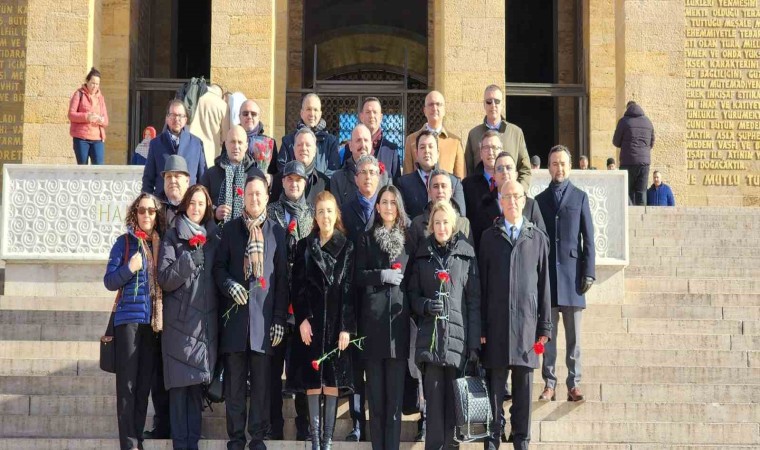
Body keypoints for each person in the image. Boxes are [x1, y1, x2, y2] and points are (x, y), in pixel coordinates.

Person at [213, 170, 289, 450]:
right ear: (242, 197)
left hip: (264, 322)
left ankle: (257, 437)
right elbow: (218, 268)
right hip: (235, 321)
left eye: (259, 194)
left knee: (261, 385)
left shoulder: (277, 233)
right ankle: (236, 437)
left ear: (267, 197)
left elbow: (282, 280)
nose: (254, 198)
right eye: (250, 194)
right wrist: (229, 285)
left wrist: (279, 318)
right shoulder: (230, 230)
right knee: (234, 386)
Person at [480, 180, 552, 450]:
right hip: (496, 326)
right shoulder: (489, 237)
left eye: (516, 196)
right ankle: (492, 441)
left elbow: (544, 287)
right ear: (500, 201)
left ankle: (522, 441)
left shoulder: (537, 238)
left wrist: (544, 327)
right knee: (494, 392)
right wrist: (481, 328)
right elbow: (481, 286)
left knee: (523, 393)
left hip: (527, 328)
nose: (512, 201)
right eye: (507, 196)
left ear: (524, 201)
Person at [409, 200, 481, 450]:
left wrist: (474, 345)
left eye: (445, 222)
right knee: (434, 414)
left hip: (457, 346)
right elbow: (412, 296)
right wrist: (426, 305)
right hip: (430, 344)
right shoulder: (422, 255)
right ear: (431, 226)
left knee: (453, 415)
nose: (441, 227)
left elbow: (473, 301)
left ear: (453, 225)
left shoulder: (466, 255)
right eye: (437, 223)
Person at [288, 191, 356, 450]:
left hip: (336, 325)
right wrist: (302, 319)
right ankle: (315, 442)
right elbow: (298, 287)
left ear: (336, 214)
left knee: (332, 383)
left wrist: (346, 327)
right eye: (320, 212)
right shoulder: (305, 246)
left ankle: (327, 441)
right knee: (313, 383)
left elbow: (348, 290)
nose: (325, 216)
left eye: (329, 211)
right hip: (312, 325)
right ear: (314, 217)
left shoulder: (347, 247)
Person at [157, 184, 220, 450]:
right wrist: (190, 259)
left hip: (204, 326)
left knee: (195, 391)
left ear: (207, 209)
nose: (196, 208)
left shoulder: (214, 238)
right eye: (192, 203)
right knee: (179, 391)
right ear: (185, 205)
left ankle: (191, 444)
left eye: (201, 204)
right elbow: (165, 278)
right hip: (179, 325)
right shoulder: (172, 236)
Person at [104, 192, 166, 450]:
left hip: (152, 324)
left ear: (157, 215)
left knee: (143, 387)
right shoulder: (124, 243)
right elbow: (109, 281)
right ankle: (128, 444)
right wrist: (130, 268)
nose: (146, 215)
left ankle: (137, 439)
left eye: (151, 211)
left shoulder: (161, 243)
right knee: (127, 386)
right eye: (142, 210)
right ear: (135, 213)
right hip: (128, 321)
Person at [535, 145, 595, 403]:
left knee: (574, 338)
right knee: (547, 336)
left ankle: (574, 383)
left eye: (563, 163)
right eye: (554, 163)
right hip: (548, 278)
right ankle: (549, 384)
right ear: (548, 167)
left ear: (569, 167)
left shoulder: (580, 197)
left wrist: (589, 272)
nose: (559, 168)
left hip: (573, 278)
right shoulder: (539, 201)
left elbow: (588, 238)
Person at [355, 185, 411, 450]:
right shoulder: (366, 239)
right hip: (373, 327)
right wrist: (381, 275)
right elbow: (357, 276)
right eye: (384, 202)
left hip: (398, 328)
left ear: (398, 207)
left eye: (393, 202)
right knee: (376, 402)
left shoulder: (409, 240)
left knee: (394, 404)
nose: (388, 207)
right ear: (377, 207)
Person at [265, 160, 314, 441]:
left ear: (305, 183)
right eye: (290, 179)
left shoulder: (312, 213)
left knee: (303, 365)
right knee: (274, 367)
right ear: (282, 182)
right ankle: (274, 424)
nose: (294, 184)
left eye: (299, 180)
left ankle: (304, 425)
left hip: (303, 301)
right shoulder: (271, 211)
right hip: (276, 299)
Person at [337, 153, 383, 442]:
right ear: (355, 178)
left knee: (376, 366)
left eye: (372, 172)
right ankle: (357, 424)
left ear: (379, 177)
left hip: (379, 298)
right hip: (353, 294)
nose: (368, 177)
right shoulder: (345, 211)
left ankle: (376, 422)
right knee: (355, 366)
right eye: (363, 172)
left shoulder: (386, 207)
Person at [465, 150, 546, 251]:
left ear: (516, 174)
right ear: (494, 176)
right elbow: (478, 243)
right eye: (500, 168)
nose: (505, 172)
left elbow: (544, 241)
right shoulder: (483, 204)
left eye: (509, 168)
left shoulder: (531, 205)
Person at [464, 85, 532, 190]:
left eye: (497, 101)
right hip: (481, 195)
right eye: (489, 102)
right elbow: (469, 169)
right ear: (484, 105)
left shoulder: (515, 133)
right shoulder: (474, 134)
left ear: (502, 104)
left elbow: (525, 169)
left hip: (509, 195)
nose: (493, 105)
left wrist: (518, 192)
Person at [142, 100, 207, 196]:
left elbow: (203, 179)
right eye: (173, 115)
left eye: (180, 115)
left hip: (189, 201)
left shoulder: (196, 144)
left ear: (185, 119)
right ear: (167, 118)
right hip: (162, 201)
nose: (177, 119)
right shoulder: (156, 144)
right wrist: (146, 200)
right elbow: (148, 179)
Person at [201, 126, 262, 226]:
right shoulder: (211, 174)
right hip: (217, 232)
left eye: (240, 142)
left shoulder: (256, 175)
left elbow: (263, 207)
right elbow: (200, 202)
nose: (236, 146)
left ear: (246, 146)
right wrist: (214, 212)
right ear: (226, 144)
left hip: (248, 231)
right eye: (232, 142)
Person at [397, 130, 466, 218]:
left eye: (430, 147)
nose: (427, 151)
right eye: (422, 147)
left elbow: (461, 217)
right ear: (416, 154)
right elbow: (402, 217)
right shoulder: (404, 183)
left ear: (437, 153)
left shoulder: (454, 182)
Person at [409, 169, 473, 255]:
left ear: (451, 192)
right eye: (435, 186)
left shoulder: (463, 224)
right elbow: (411, 259)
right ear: (429, 192)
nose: (440, 191)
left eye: (444, 186)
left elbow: (470, 257)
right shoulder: (417, 224)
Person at [403, 91, 466, 179]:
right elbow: (407, 177)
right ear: (424, 111)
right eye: (431, 104)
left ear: (444, 110)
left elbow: (460, 178)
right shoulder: (411, 140)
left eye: (438, 104)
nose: (434, 108)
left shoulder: (455, 142)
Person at [277, 93, 341, 177]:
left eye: (315, 110)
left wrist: (318, 182)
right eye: (308, 109)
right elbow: (282, 168)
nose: (312, 113)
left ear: (320, 114)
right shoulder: (288, 141)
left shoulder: (331, 142)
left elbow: (334, 171)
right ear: (301, 113)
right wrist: (298, 180)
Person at [332, 124, 391, 207]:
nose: (363, 145)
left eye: (366, 140)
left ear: (371, 145)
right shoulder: (338, 179)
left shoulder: (384, 177)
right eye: (358, 140)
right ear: (350, 146)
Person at [270, 128, 331, 207]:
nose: (303, 148)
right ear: (294, 149)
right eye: (299, 145)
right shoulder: (278, 180)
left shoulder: (325, 184)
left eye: (308, 145)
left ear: (315, 151)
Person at [613, 100, 655, 205]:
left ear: (627, 108)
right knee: (642, 192)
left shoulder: (624, 121)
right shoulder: (648, 122)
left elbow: (616, 142)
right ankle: (641, 215)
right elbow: (651, 143)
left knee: (627, 191)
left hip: (628, 161)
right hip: (644, 163)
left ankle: (629, 214)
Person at [348, 97, 401, 180]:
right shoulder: (351, 147)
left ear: (381, 117)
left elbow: (396, 182)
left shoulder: (391, 150)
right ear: (361, 116)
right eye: (368, 112)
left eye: (375, 112)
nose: (371, 116)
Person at [68, 67, 109, 165]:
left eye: (97, 84)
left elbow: (106, 121)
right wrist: (87, 117)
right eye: (93, 83)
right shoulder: (79, 94)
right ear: (87, 81)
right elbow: (71, 115)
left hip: (97, 138)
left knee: (99, 167)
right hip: (81, 138)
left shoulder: (100, 98)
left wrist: (101, 120)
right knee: (83, 168)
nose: (95, 86)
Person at [188, 84, 229, 167]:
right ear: (221, 94)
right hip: (210, 154)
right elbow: (225, 138)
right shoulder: (223, 106)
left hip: (190, 150)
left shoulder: (194, 98)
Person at [239, 99, 277, 173]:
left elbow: (275, 171)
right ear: (239, 117)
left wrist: (270, 177)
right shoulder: (229, 141)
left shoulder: (269, 143)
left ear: (258, 117)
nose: (249, 116)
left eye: (253, 114)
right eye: (245, 114)